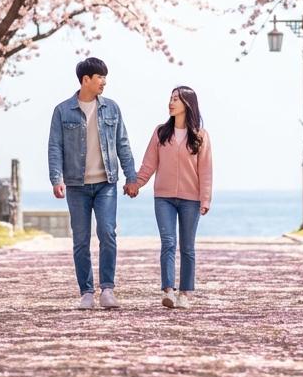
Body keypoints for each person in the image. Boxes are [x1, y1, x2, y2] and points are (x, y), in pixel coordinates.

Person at [48, 56, 138, 310]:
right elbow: (55, 146)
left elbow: (123, 143)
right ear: (85, 80)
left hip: (106, 182)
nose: (104, 82)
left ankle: (107, 289)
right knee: (80, 239)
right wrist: (57, 178)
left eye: (105, 77)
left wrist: (131, 177)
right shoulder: (62, 110)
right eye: (100, 77)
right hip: (76, 185)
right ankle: (86, 292)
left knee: (107, 233)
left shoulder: (112, 108)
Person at [133, 86, 212, 310]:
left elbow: (206, 170)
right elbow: (149, 164)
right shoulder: (160, 132)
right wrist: (136, 184)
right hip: (164, 198)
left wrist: (205, 199)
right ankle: (168, 290)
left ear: (187, 104)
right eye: (170, 98)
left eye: (176, 99)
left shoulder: (200, 136)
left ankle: (185, 293)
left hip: (191, 199)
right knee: (168, 243)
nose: (171, 102)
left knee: (187, 247)